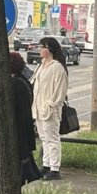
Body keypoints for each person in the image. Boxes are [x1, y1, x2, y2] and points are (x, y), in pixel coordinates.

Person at [31, 36, 69, 180]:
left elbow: (60, 90)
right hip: (38, 107)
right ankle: (46, 165)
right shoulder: (41, 65)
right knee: (43, 138)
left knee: (52, 138)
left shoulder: (57, 67)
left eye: (43, 47)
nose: (40, 50)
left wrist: (52, 104)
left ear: (50, 49)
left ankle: (55, 168)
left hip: (50, 109)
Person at [9, 52, 40, 185]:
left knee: (20, 168)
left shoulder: (15, 83)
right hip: (25, 130)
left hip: (19, 131)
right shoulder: (23, 80)